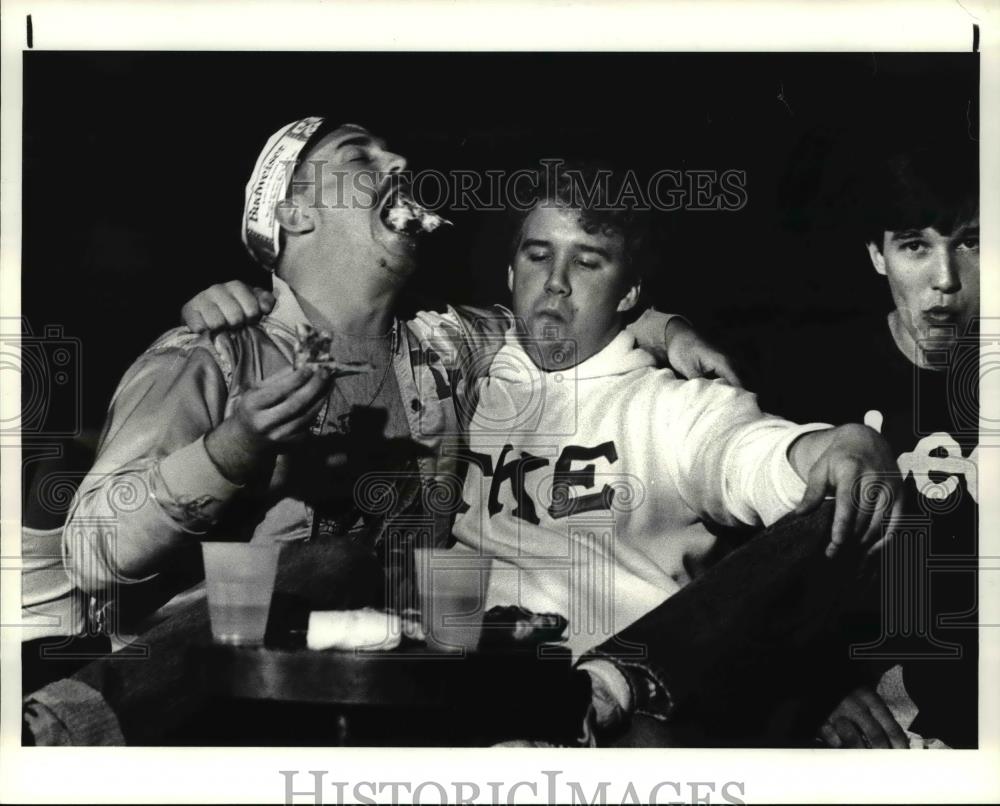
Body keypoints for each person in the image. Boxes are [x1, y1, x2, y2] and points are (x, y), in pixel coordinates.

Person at [189, 165, 902, 747]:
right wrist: (248, 297)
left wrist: (828, 448)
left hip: (613, 718)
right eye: (538, 256)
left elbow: (751, 453)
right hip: (453, 698)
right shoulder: (462, 367)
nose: (555, 283)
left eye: (587, 263)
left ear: (629, 292)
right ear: (509, 275)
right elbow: (338, 318)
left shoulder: (674, 407)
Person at [757, 143, 979, 749]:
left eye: (972, 242)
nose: (946, 280)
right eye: (915, 245)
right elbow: (747, 578)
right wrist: (804, 686)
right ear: (877, 256)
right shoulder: (808, 378)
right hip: (859, 723)